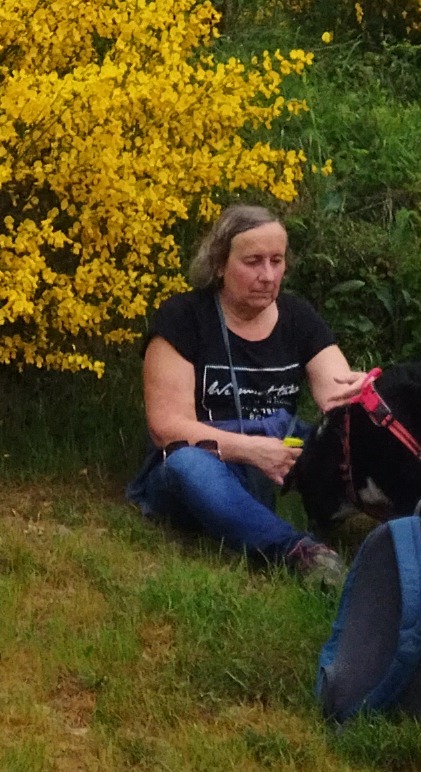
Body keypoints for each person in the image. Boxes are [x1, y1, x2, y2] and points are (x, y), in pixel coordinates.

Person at [134, 205, 356, 586]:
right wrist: (251, 450)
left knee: (347, 440)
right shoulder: (182, 317)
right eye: (253, 262)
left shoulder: (298, 316)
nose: (267, 276)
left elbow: (340, 394)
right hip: (205, 455)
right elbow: (166, 428)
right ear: (220, 264)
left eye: (276, 261)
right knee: (188, 465)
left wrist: (364, 393)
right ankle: (298, 551)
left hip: (279, 444)